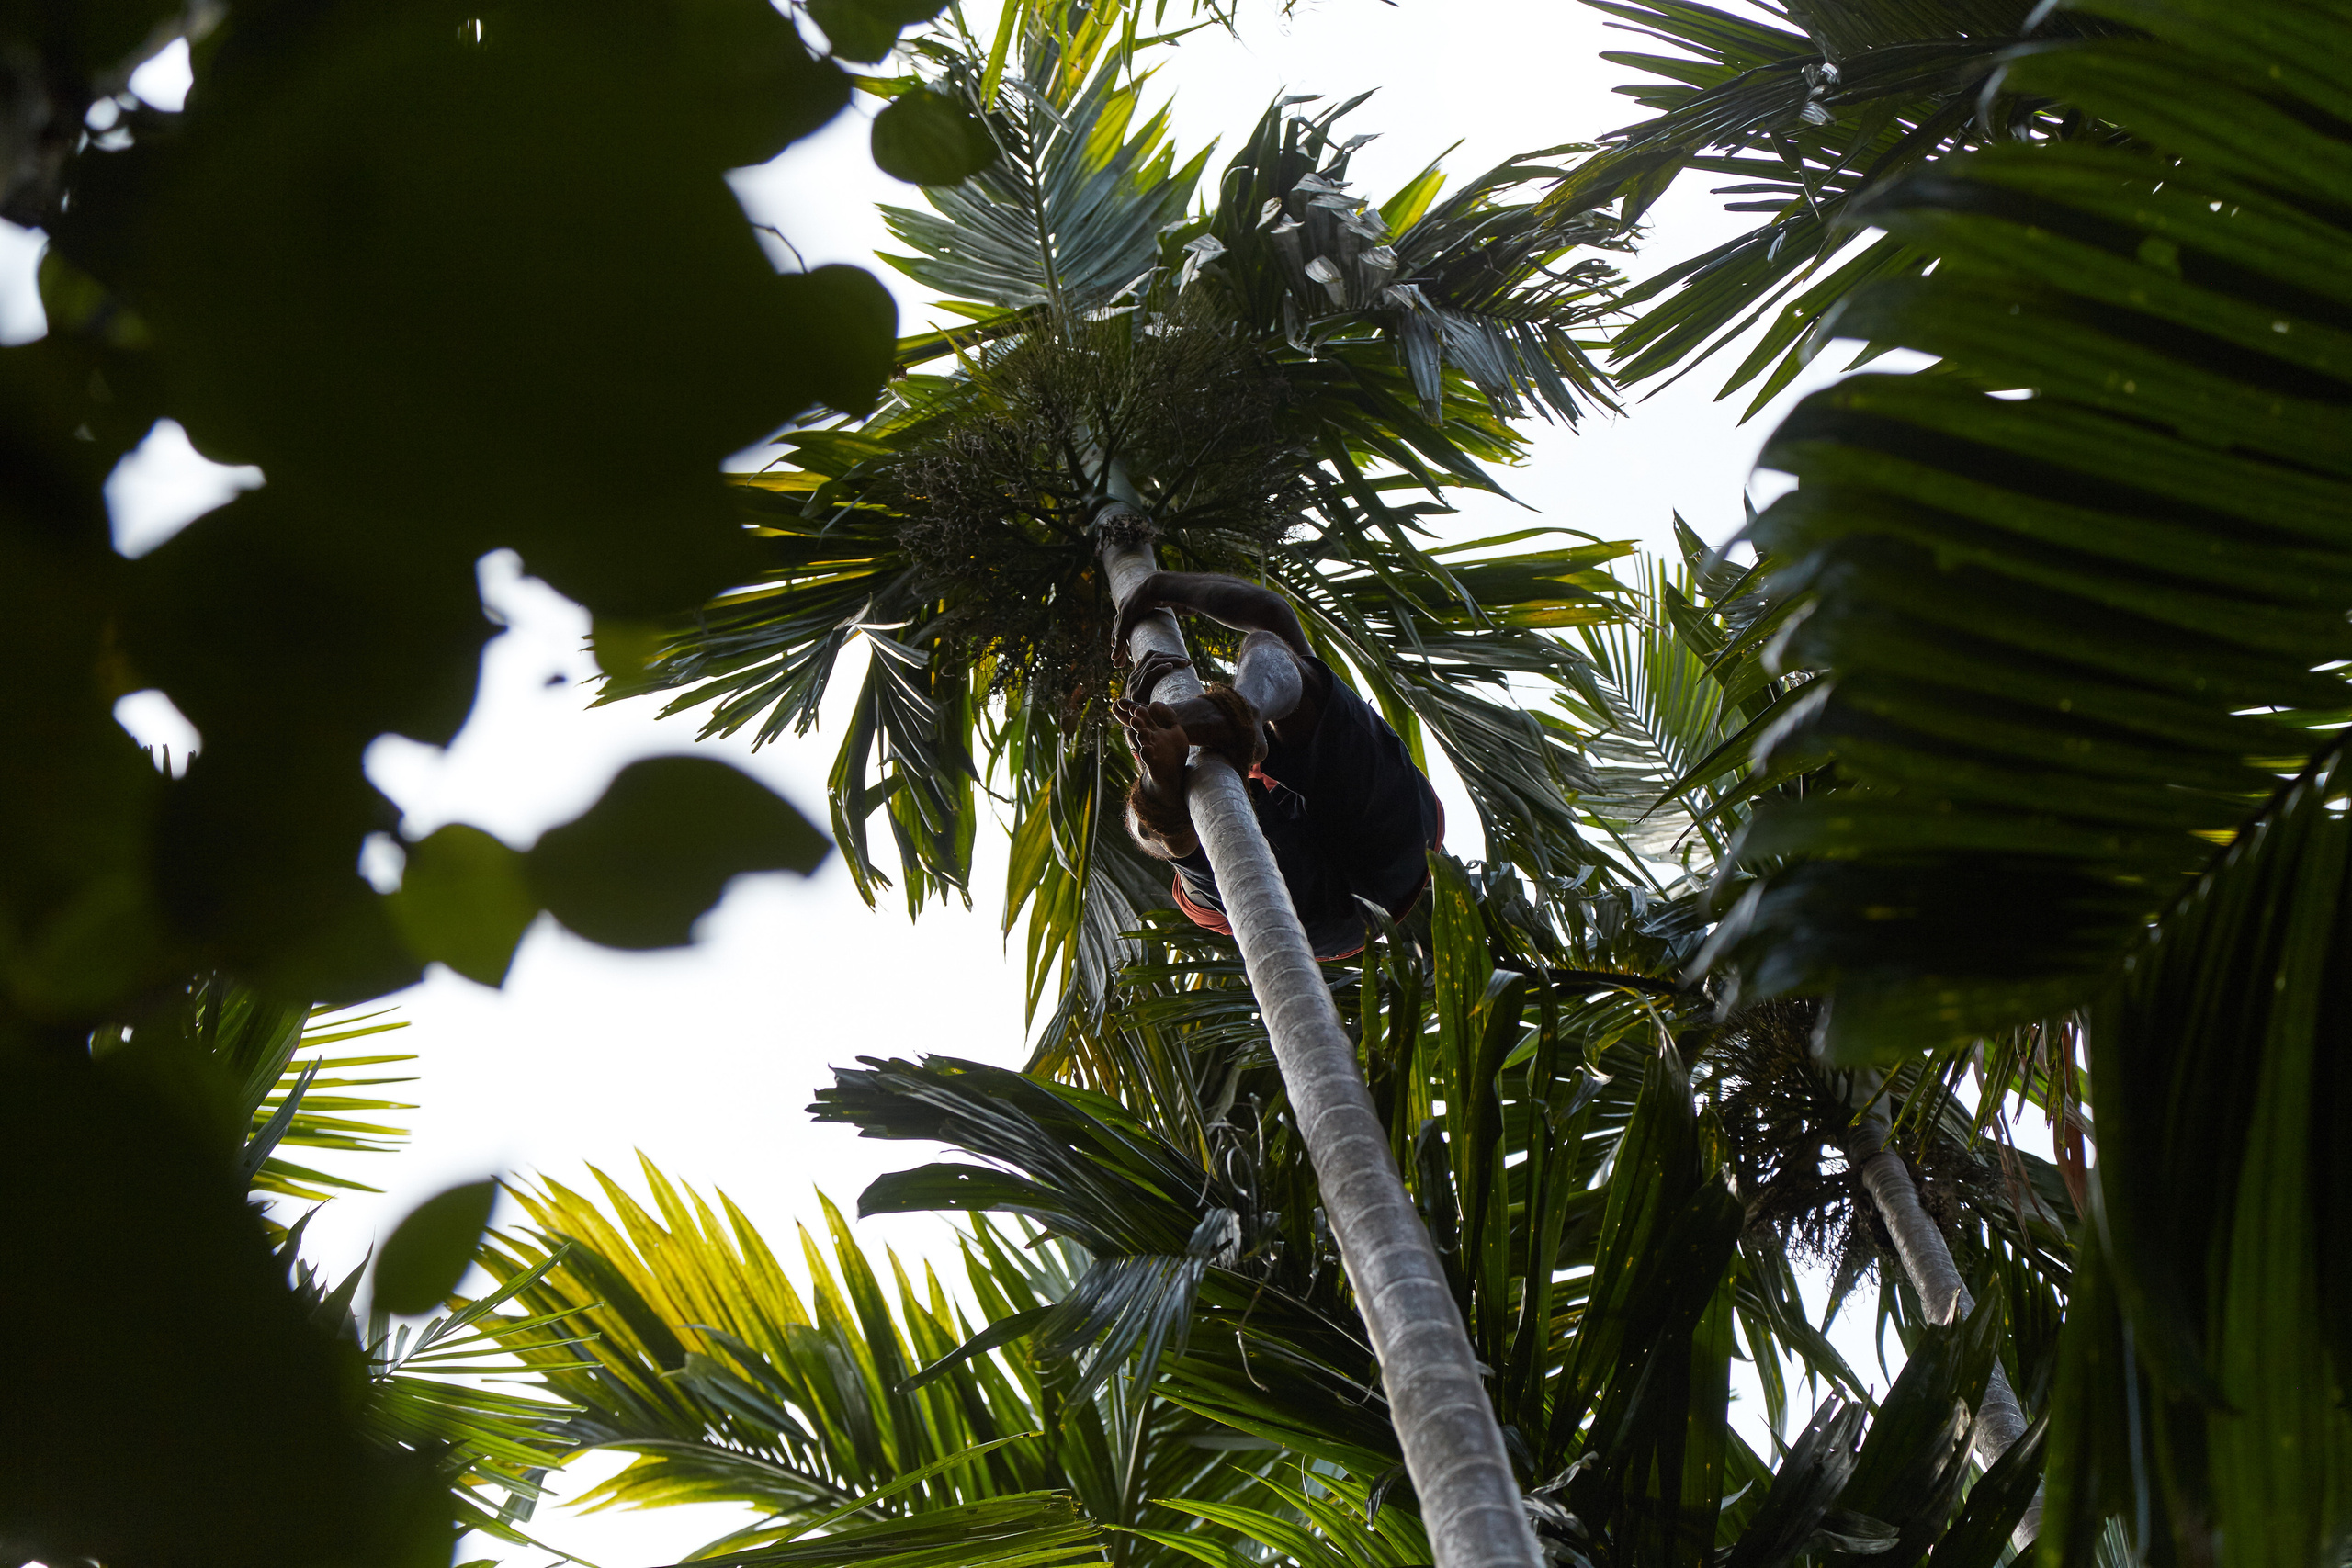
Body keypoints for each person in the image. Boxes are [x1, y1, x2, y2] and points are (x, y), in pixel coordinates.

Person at [1110, 570, 1443, 963]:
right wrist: (1159, 588)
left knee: (1167, 828)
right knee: (1274, 656)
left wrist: (1156, 588)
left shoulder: (1277, 757)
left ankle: (1200, 752)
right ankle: (1203, 748)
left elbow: (1272, 616)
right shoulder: (1287, 747)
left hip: (1331, 906)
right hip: (1396, 848)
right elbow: (1272, 613)